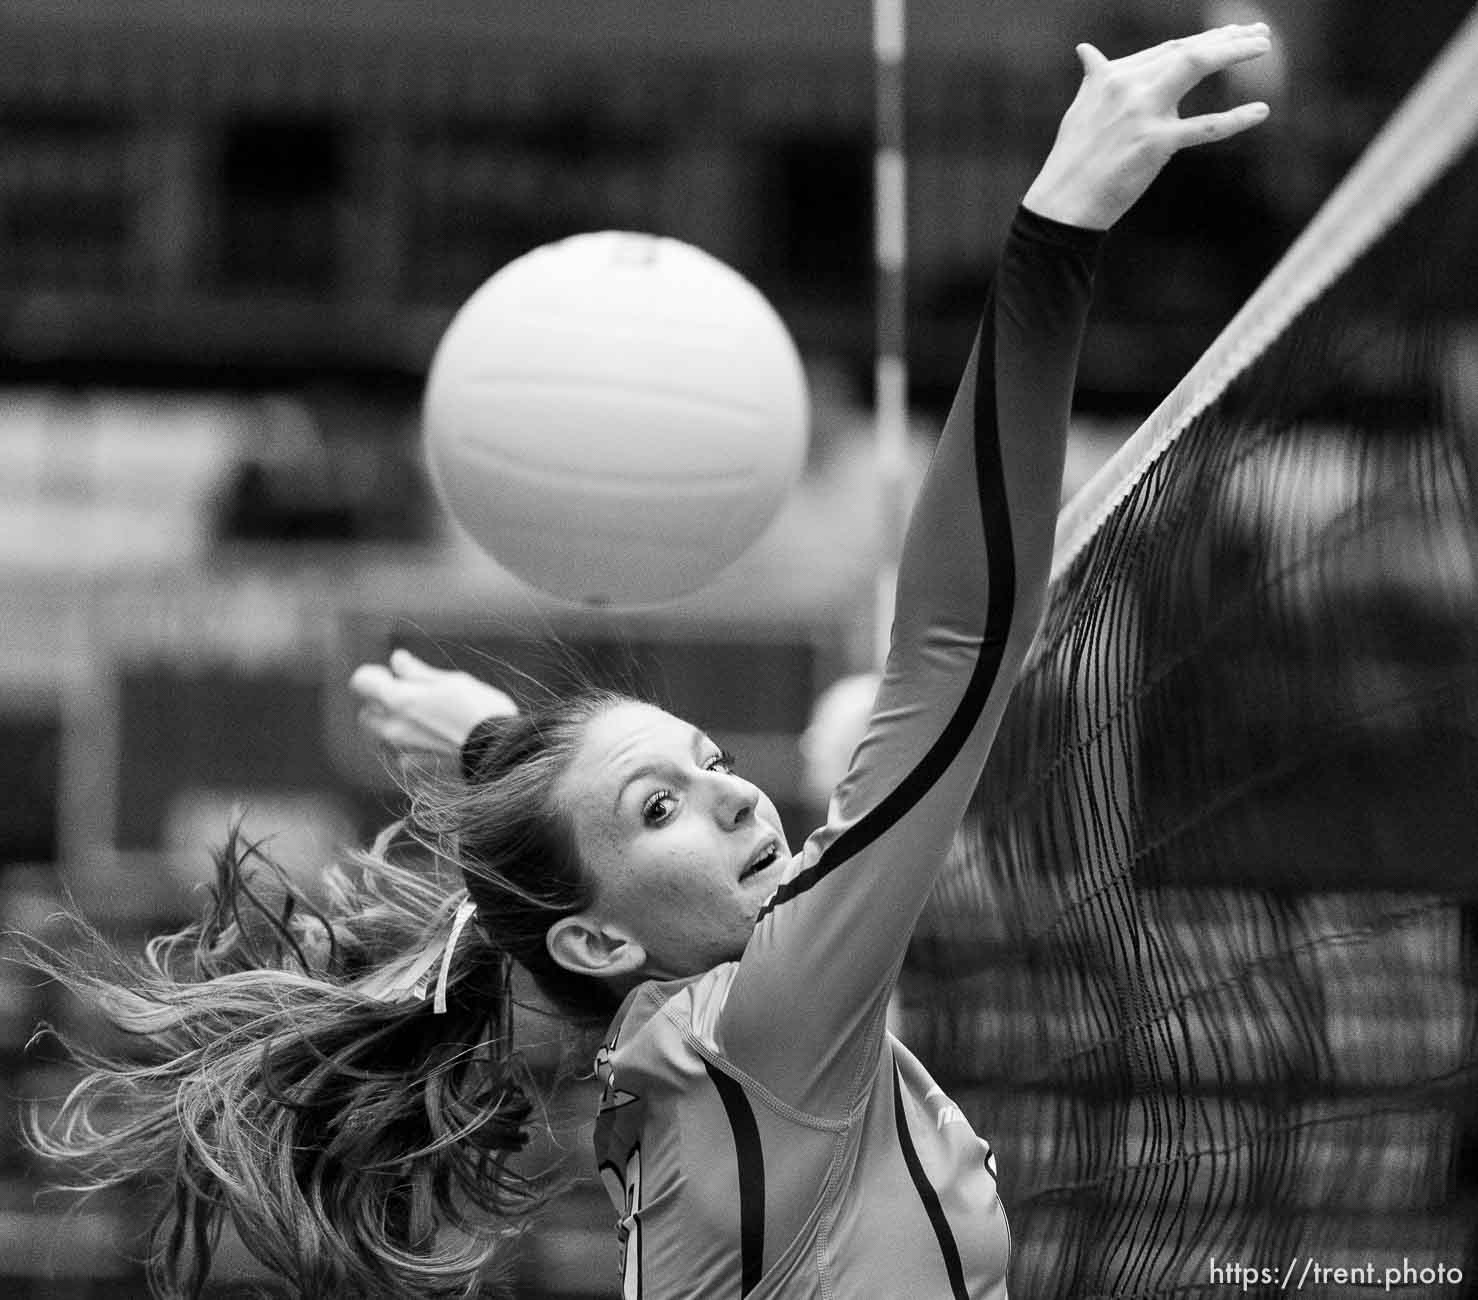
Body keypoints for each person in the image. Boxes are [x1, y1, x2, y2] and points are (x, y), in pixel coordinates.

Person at [29, 26, 1272, 1300]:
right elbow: (956, 646)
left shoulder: (695, 1040)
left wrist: (499, 754)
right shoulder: (762, 1028)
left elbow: (586, 874)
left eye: (708, 761)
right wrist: (1056, 228)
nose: (739, 793)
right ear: (596, 943)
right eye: (665, 804)